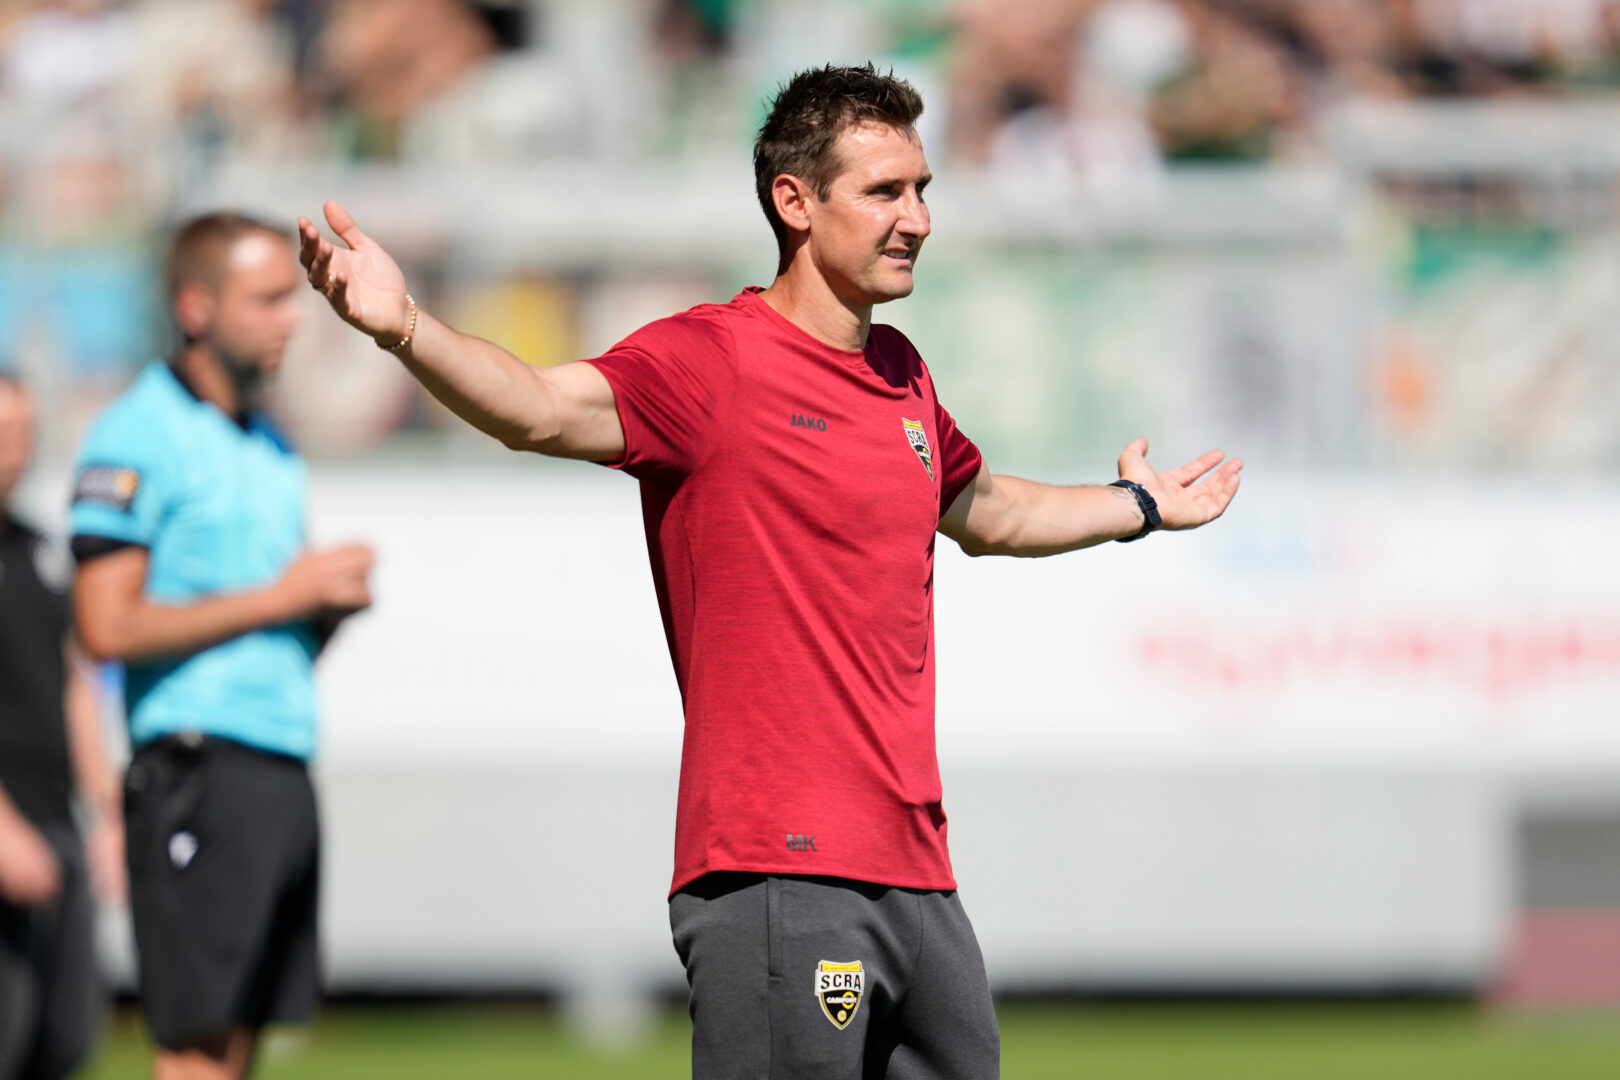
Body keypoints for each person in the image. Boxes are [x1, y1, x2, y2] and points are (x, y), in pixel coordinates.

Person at [298, 62, 1242, 1079]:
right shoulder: (712, 361)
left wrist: (1140, 507)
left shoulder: (902, 375)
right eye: (885, 192)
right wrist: (405, 326)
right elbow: (538, 407)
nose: (917, 220)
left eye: (922, 190)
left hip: (917, 874)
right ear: (796, 202)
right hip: (777, 867)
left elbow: (991, 512)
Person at [69, 214, 375, 1080]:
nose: (292, 318)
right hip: (195, 768)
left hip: (279, 763)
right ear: (196, 308)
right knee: (196, 1052)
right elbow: (104, 626)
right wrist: (285, 595)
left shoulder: (270, 442)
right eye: (267, 298)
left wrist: (321, 610)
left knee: (239, 1048)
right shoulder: (138, 433)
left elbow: (266, 623)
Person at [0, 374, 123, 1080]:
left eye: (24, 434)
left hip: (56, 830)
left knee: (66, 1039)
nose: (14, 450)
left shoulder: (43, 552)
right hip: (9, 833)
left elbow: (78, 682)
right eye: (2, 434)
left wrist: (106, 813)